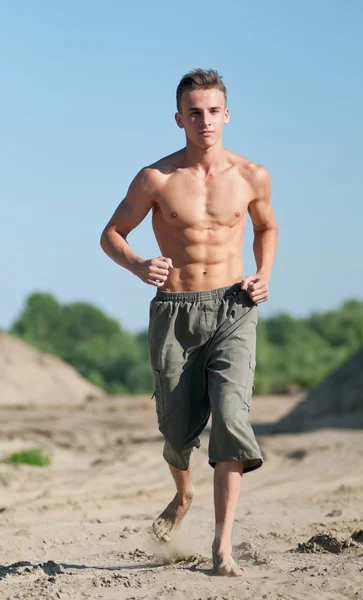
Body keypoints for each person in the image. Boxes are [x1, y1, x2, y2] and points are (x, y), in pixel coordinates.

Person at [100, 68, 278, 577]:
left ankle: (223, 547)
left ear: (227, 115)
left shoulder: (252, 175)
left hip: (233, 307)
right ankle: (183, 495)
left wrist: (263, 274)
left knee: (231, 418)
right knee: (176, 432)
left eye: (214, 111)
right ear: (179, 118)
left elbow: (267, 226)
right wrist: (137, 265)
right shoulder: (155, 178)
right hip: (175, 310)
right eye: (194, 112)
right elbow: (111, 233)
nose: (205, 121)